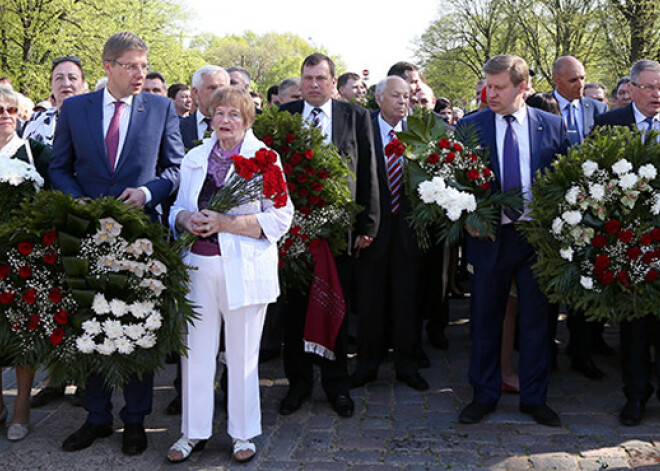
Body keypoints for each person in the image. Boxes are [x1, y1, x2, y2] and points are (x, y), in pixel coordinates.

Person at [49, 31, 183, 455]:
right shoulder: (75, 109)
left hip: (141, 236)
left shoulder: (161, 108)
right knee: (91, 325)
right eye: (131, 66)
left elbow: (176, 169)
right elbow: (60, 167)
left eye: (144, 65)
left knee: (138, 328)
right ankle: (97, 417)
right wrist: (80, 204)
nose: (140, 73)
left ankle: (135, 420)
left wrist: (148, 193)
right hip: (86, 236)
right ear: (108, 67)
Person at [166, 86, 293, 463]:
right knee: (196, 353)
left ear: (247, 119)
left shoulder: (265, 160)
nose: (225, 121)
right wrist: (186, 218)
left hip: (245, 270)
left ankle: (242, 434)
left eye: (233, 114)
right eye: (219, 113)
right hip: (197, 267)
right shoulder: (194, 157)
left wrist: (227, 222)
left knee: (241, 355)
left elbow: (281, 217)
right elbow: (177, 209)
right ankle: (193, 432)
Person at [457, 54, 568, 427]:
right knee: (485, 319)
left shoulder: (552, 125)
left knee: (538, 322)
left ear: (522, 87)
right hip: (490, 237)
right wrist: (469, 216)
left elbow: (564, 180)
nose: (490, 93)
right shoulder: (470, 127)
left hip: (538, 239)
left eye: (499, 87)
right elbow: (455, 183)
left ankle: (535, 397)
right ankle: (483, 395)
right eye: (488, 86)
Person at [278, 53, 379, 418]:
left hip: (341, 233)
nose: (314, 84)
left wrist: (369, 225)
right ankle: (298, 385)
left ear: (333, 82)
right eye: (308, 78)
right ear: (300, 81)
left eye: (321, 78)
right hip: (293, 234)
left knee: (335, 307)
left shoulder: (356, 117)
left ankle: (337, 384)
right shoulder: (283, 118)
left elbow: (369, 171)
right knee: (295, 312)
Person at [593, 59, 660, 426]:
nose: (656, 94)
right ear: (631, 90)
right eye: (649, 87)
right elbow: (592, 178)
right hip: (628, 239)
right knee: (634, 322)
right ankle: (636, 395)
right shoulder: (608, 125)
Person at [352, 76, 428, 391]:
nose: (402, 102)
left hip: (409, 231)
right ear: (379, 98)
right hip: (373, 231)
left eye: (407, 96)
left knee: (407, 302)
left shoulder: (420, 132)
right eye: (396, 96)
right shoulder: (363, 127)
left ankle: (407, 365)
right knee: (370, 301)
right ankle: (367, 364)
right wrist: (360, 227)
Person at [20, 55, 87, 410]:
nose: (66, 83)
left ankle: (89, 376)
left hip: (85, 217)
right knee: (54, 298)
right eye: (59, 77)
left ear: (84, 83)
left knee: (84, 297)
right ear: (50, 85)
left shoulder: (94, 117)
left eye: (73, 77)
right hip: (46, 221)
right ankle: (57, 376)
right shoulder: (36, 122)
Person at [552, 56, 610, 380]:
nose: (580, 86)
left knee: (588, 280)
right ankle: (546, 350)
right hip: (553, 209)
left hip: (591, 213)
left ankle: (582, 350)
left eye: (583, 79)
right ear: (557, 80)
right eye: (574, 80)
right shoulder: (544, 110)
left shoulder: (598, 111)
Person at [0, 85, 51, 441]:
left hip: (23, 260)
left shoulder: (36, 153)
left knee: (22, 333)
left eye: (8, 108)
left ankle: (21, 408)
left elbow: (55, 199)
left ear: (19, 114)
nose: (3, 114)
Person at [180, 65, 230, 150]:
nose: (218, 93)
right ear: (196, 92)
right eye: (212, 88)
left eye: (222, 88)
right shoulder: (178, 128)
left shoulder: (239, 127)